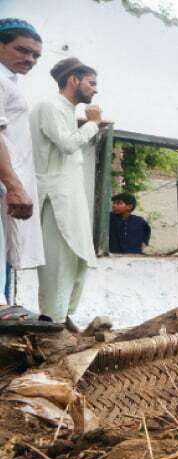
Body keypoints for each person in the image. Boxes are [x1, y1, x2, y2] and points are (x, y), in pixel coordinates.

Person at [30, 57, 102, 328]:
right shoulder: (49, 106)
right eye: (91, 83)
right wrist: (93, 123)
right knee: (58, 261)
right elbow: (67, 145)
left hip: (70, 196)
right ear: (74, 80)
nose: (95, 90)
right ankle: (52, 321)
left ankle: (63, 317)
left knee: (77, 260)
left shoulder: (67, 112)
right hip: (56, 197)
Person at [0, 19, 46, 286]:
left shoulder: (10, 82)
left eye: (36, 55)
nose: (30, 59)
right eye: (22, 50)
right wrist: (13, 184)